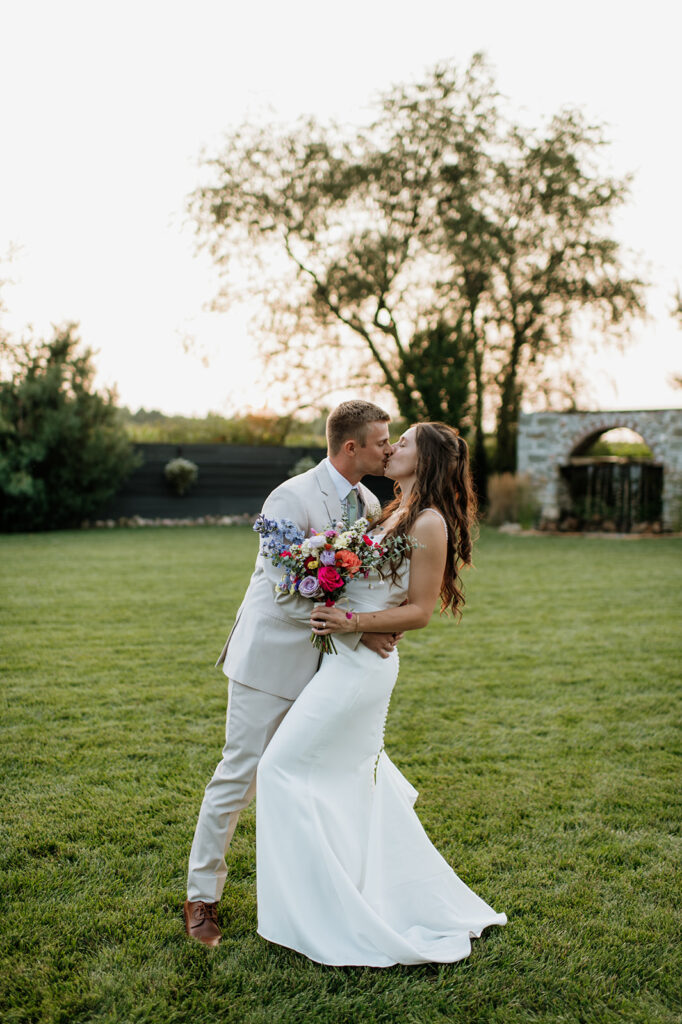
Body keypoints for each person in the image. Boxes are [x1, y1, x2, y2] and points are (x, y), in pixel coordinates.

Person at [255, 421, 507, 966]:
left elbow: (418, 611)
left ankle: (330, 909)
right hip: (342, 656)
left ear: (428, 459)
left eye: (406, 443)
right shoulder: (390, 510)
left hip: (362, 668)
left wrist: (353, 621)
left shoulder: (430, 522)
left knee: (279, 770)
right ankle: (332, 898)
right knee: (337, 782)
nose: (393, 449)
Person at [184, 400, 402, 946]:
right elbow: (285, 592)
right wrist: (357, 628)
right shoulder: (291, 496)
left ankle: (320, 890)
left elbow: (356, 582)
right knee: (239, 776)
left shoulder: (371, 501)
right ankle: (201, 897)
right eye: (381, 440)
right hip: (272, 661)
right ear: (351, 447)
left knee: (319, 780)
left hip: (332, 671)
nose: (389, 448)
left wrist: (371, 620)